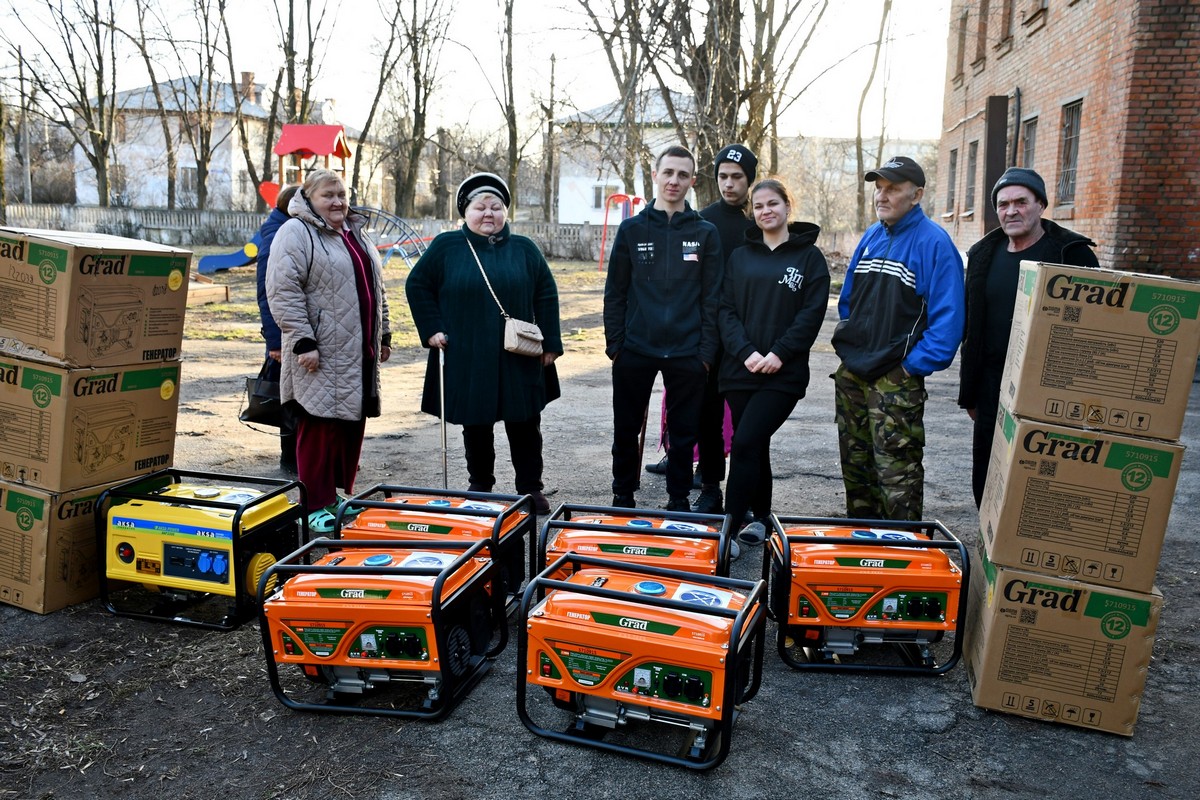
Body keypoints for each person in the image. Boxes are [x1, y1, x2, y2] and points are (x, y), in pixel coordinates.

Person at [405, 172, 562, 515]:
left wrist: (550, 343)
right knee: (475, 421)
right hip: (467, 352)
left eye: (496, 206)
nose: (488, 213)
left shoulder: (525, 248)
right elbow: (417, 285)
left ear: (506, 211)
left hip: (518, 352)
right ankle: (480, 486)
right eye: (480, 207)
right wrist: (431, 329)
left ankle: (530, 488)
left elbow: (546, 294)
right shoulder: (447, 246)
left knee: (524, 422)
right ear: (466, 211)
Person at [831, 156, 964, 521]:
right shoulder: (873, 236)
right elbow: (849, 301)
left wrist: (907, 368)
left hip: (895, 379)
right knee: (856, 469)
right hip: (854, 374)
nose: (882, 195)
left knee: (896, 476)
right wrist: (854, 345)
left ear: (917, 194)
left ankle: (901, 555)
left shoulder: (935, 243)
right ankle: (862, 549)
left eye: (893, 188)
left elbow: (948, 324)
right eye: (879, 187)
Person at [958, 167, 1099, 506]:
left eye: (1021, 201)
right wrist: (971, 394)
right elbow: (971, 331)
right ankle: (989, 551)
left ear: (1041, 205)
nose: (1011, 211)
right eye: (1003, 204)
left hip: (1049, 385)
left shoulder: (1073, 254)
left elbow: (1097, 328)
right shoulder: (983, 256)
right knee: (987, 475)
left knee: (1040, 478)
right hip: (993, 384)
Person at [266, 169, 391, 533]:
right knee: (319, 426)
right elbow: (283, 289)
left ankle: (332, 498)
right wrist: (303, 340)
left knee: (347, 425)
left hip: (356, 348)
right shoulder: (297, 232)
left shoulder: (353, 232)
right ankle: (313, 503)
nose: (337, 201)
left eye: (341, 194)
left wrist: (383, 334)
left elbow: (375, 287)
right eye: (327, 195)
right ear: (309, 198)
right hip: (320, 349)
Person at [604, 145, 722, 511]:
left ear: (692, 181)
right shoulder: (631, 229)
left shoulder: (706, 233)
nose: (674, 181)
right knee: (626, 430)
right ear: (654, 175)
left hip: (687, 352)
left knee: (685, 434)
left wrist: (705, 353)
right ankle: (623, 494)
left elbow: (712, 299)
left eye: (682, 175)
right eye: (668, 172)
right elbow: (615, 293)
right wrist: (616, 345)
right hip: (635, 349)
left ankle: (678, 499)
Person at [719, 179, 830, 545]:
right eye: (759, 205)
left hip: (783, 374)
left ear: (787, 205)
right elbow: (726, 311)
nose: (766, 211)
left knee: (747, 440)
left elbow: (811, 315)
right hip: (740, 369)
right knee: (756, 443)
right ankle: (761, 518)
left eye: (773, 203)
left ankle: (729, 527)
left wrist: (778, 353)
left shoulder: (809, 258)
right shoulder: (740, 256)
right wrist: (747, 352)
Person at [254, 184, 300, 475]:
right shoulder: (277, 235)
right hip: (282, 334)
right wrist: (274, 342)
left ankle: (297, 458)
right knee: (289, 398)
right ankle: (290, 461)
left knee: (295, 395)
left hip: (288, 331)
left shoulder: (288, 227)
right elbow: (266, 291)